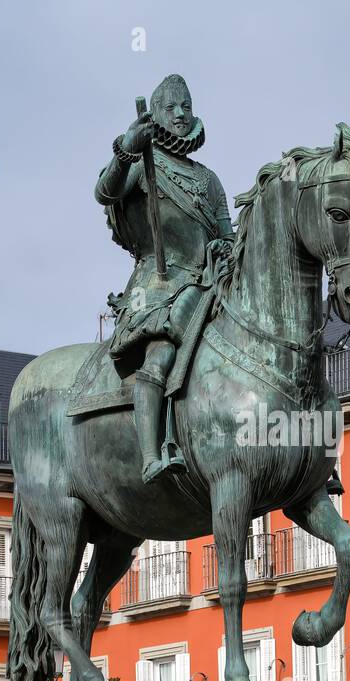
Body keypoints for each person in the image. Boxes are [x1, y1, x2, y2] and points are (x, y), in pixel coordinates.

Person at [95, 74, 234, 483]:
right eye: (170, 107)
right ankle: (150, 454)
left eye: (186, 106)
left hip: (205, 283)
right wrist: (125, 151)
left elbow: (227, 234)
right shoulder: (142, 167)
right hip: (157, 284)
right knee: (160, 353)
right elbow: (105, 192)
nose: (180, 114)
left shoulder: (209, 180)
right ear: (154, 115)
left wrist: (226, 249)